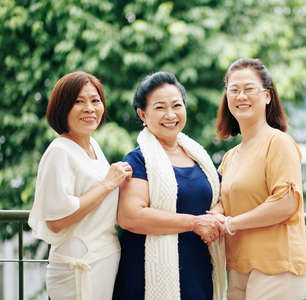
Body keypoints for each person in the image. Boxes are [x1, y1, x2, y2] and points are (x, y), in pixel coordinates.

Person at [113, 71, 227, 300]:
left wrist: (214, 216)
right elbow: (130, 216)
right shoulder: (137, 160)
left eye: (177, 105)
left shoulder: (199, 157)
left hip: (198, 269)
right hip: (146, 276)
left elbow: (222, 196)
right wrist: (194, 223)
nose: (170, 114)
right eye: (159, 107)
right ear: (142, 114)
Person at [28, 71, 133, 300]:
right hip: (76, 267)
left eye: (95, 100)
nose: (90, 108)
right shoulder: (59, 151)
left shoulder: (93, 145)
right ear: (62, 108)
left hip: (104, 258)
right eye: (78, 101)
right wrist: (107, 184)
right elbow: (56, 221)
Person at [212, 58, 306, 300]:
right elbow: (222, 198)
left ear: (267, 96)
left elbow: (285, 204)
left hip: (277, 266)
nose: (241, 96)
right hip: (238, 266)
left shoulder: (279, 143)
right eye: (234, 90)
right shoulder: (230, 156)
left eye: (249, 89)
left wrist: (230, 224)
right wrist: (216, 213)